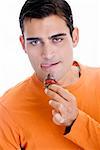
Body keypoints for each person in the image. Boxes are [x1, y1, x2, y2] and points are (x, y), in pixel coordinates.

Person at [0, 0, 100, 149]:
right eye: (35, 42)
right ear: (23, 44)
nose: (47, 54)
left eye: (57, 39)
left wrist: (76, 121)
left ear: (75, 37)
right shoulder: (6, 109)